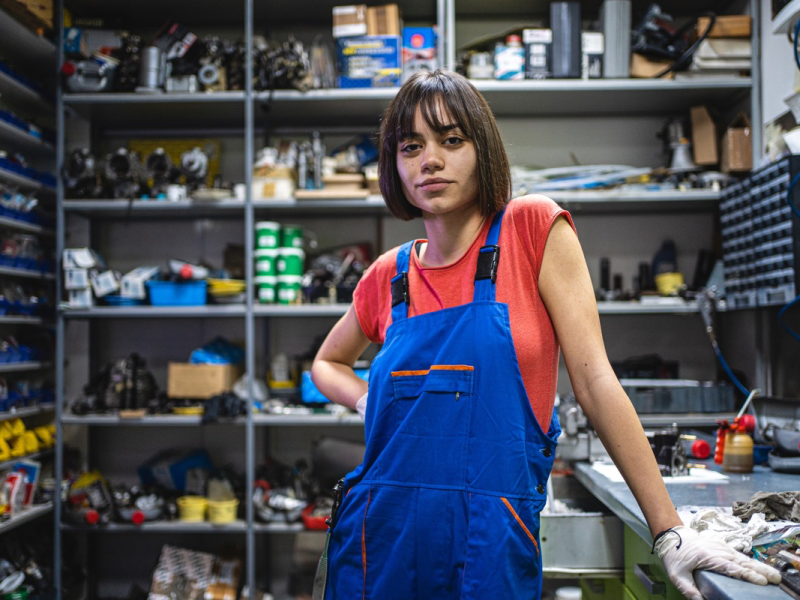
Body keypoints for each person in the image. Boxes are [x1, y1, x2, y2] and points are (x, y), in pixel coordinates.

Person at [310, 69, 780, 600]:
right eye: (410, 146)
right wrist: (368, 400)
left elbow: (596, 382)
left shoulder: (531, 229)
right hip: (381, 545)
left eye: (451, 140)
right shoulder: (387, 277)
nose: (430, 160)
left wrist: (669, 530)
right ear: (393, 166)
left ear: (482, 149)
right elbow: (326, 364)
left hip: (487, 547)